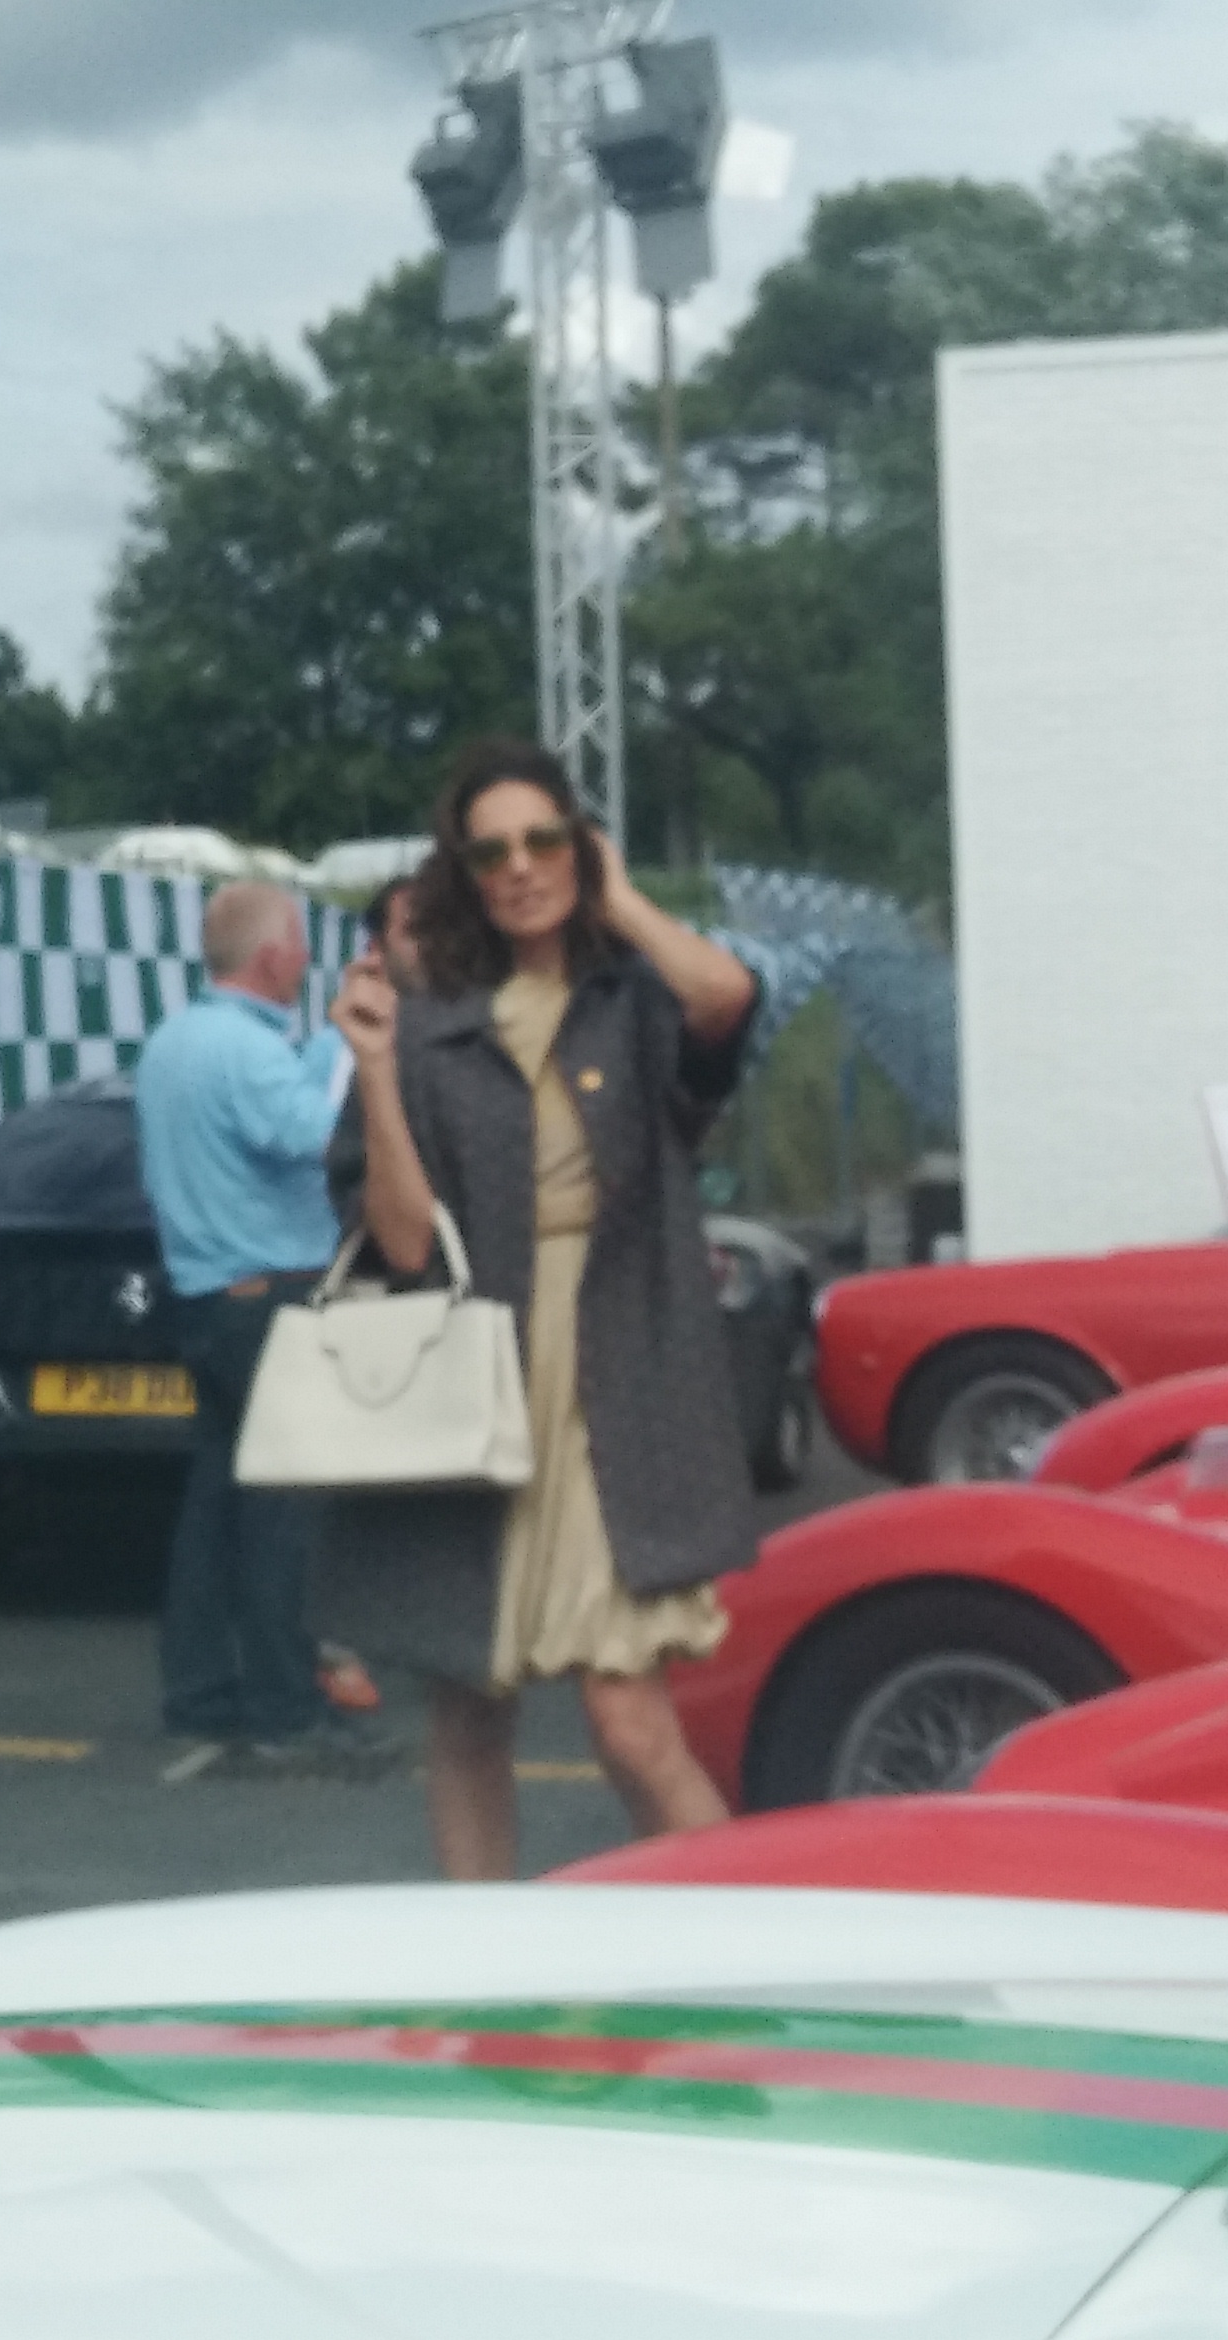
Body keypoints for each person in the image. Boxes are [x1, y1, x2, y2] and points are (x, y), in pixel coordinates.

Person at [325, 740, 762, 1881]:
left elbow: (727, 996)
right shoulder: (429, 1022)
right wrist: (375, 1069)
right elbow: (403, 1244)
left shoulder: (633, 1001)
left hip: (623, 1383)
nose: (519, 868)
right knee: (471, 1711)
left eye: (542, 841)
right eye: (490, 853)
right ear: (462, 873)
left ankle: (747, 1944)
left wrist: (621, 901)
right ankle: (486, 1959)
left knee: (630, 1722)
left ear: (579, 844)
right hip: (477, 1390)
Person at [134, 880, 391, 1781]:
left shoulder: (175, 1041)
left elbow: (284, 1102)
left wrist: (332, 1036)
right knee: (286, 1515)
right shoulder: (247, 1054)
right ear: (274, 955)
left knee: (213, 1508)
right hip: (270, 1299)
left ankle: (200, 1694)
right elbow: (320, 1136)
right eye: (298, 944)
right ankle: (288, 1708)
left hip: (206, 1297)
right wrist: (356, 1044)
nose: (306, 959)